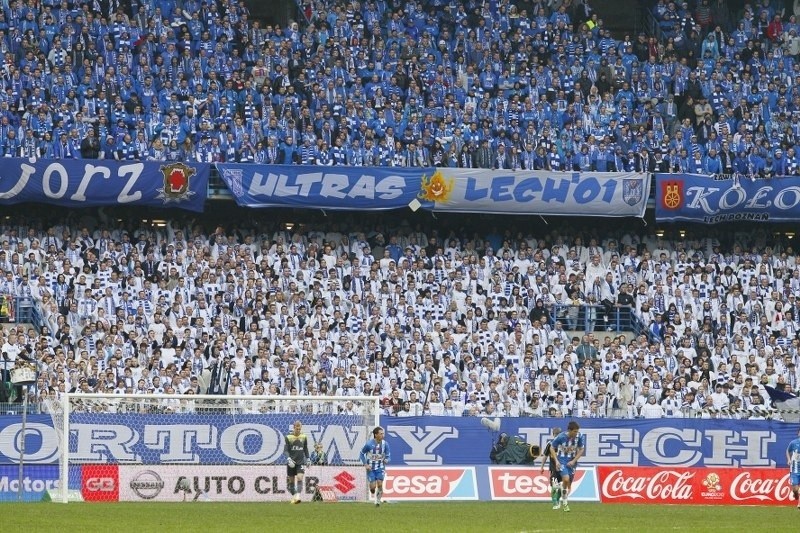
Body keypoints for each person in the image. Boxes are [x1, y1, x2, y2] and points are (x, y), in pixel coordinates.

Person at [549, 420, 586, 512]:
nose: (576, 433)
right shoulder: (561, 437)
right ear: (569, 430)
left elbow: (581, 449)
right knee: (565, 479)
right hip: (562, 461)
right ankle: (564, 501)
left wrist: (574, 460)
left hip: (572, 463)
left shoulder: (579, 436)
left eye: (577, 431)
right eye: (575, 431)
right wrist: (557, 461)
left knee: (567, 484)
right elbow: (551, 448)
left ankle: (562, 498)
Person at [360, 426, 391, 506]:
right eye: (381, 434)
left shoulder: (385, 444)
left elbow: (388, 455)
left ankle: (377, 501)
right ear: (376, 435)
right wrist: (365, 464)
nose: (383, 435)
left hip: (380, 467)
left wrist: (387, 460)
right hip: (370, 468)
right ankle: (373, 491)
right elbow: (362, 453)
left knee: (380, 484)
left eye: (383, 433)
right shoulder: (369, 444)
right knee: (373, 488)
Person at [284, 420, 310, 504]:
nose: (298, 430)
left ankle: (298, 496)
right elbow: (286, 450)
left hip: (300, 462)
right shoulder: (288, 437)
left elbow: (305, 448)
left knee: (299, 478)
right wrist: (288, 458)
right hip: (291, 462)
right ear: (293, 428)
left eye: (299, 429)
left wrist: (308, 458)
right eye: (297, 429)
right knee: (291, 483)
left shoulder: (304, 437)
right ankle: (295, 497)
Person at [540, 427, 562, 509]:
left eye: (558, 435)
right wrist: (542, 467)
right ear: (553, 435)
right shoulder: (550, 444)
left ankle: (558, 499)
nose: (557, 437)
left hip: (562, 469)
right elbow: (545, 456)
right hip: (553, 469)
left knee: (561, 487)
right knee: (553, 486)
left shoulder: (564, 444)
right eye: (555, 435)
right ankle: (555, 503)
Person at [787, 428, 800, 509]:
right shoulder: (793, 443)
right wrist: (788, 459)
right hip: (795, 469)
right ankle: (796, 495)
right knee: (795, 489)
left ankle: (799, 504)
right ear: (798, 434)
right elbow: (788, 451)